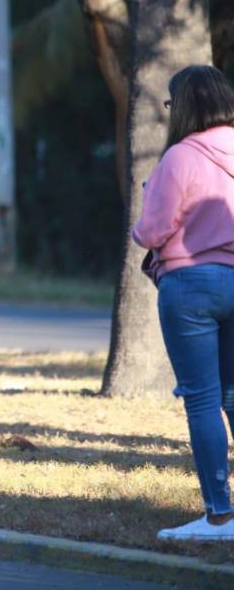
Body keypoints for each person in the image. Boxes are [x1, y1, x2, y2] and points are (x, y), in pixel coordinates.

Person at [133, 64, 234, 542]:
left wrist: (146, 205)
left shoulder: (179, 157)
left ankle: (219, 515)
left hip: (191, 285)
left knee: (203, 401)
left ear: (186, 105)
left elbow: (152, 231)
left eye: (172, 103)